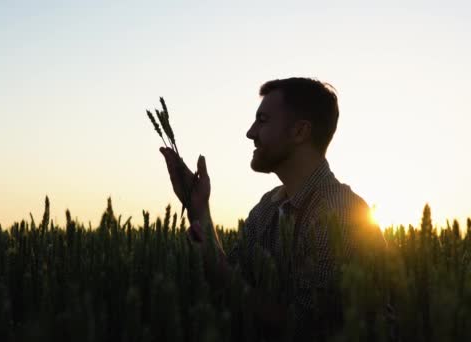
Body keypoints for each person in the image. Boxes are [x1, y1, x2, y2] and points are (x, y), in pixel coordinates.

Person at [160, 77, 390, 340]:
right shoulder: (268, 207)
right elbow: (235, 280)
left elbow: (307, 329)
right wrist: (200, 209)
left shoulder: (339, 214)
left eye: (263, 120)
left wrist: (221, 270)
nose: (250, 132)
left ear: (300, 132)